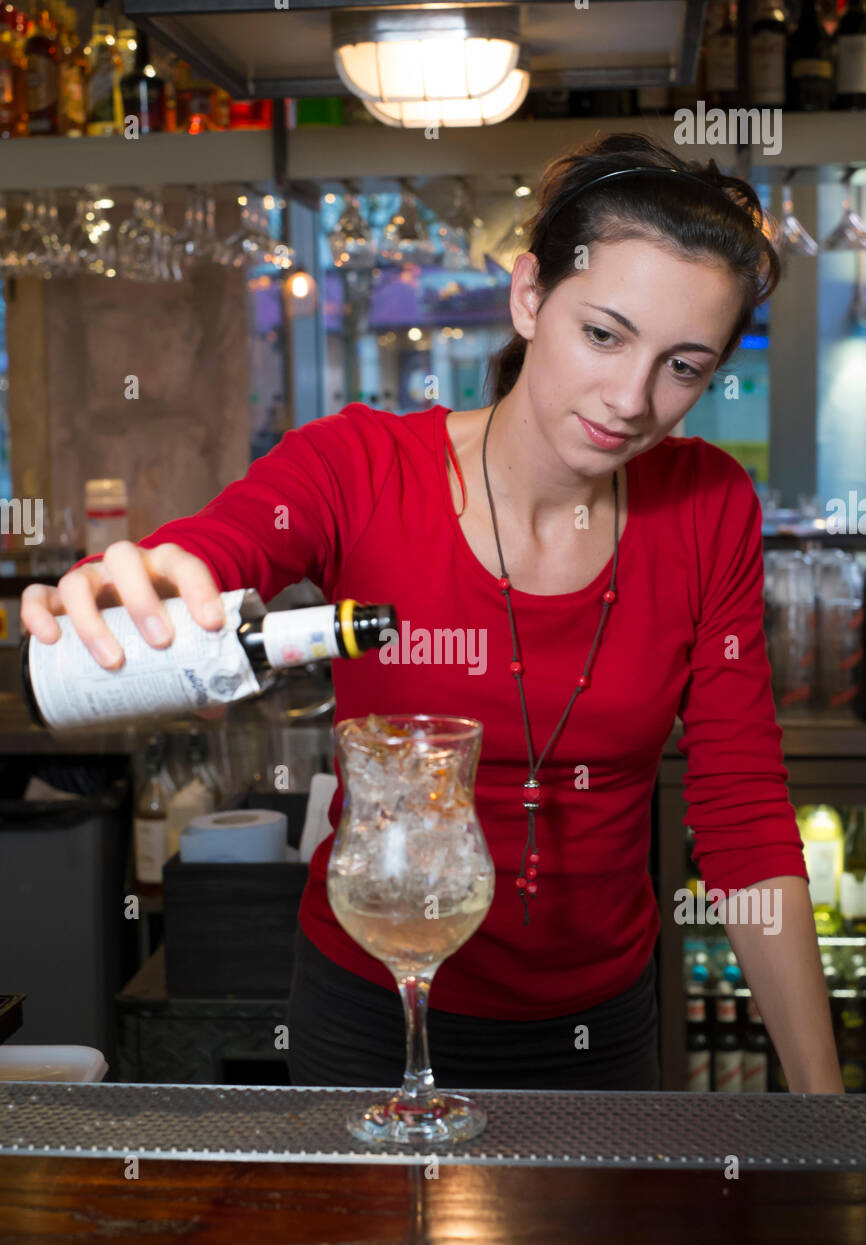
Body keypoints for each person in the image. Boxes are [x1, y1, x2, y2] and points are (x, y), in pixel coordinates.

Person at [21, 132, 844, 1094]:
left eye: (684, 367)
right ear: (530, 295)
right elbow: (218, 547)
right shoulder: (359, 467)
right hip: (368, 1011)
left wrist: (826, 1123)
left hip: (603, 1025)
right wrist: (139, 580)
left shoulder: (709, 505)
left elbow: (742, 814)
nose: (631, 401)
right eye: (604, 334)